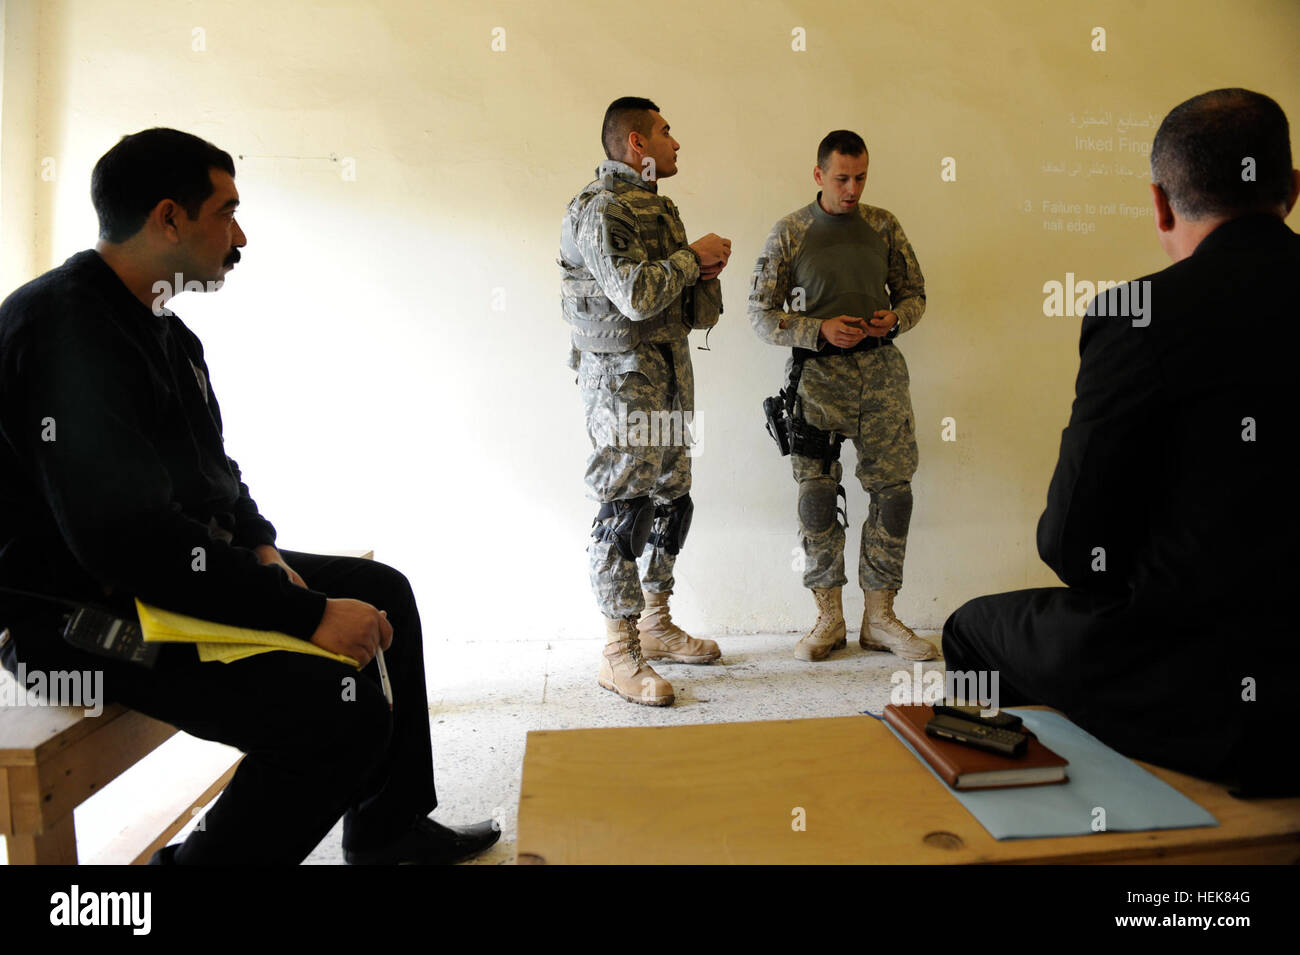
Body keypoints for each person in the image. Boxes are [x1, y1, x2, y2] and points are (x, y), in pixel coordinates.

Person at [0, 128, 500, 863]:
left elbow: (216, 479)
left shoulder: (167, 332)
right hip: (80, 618)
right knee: (340, 714)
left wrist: (262, 547)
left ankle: (388, 828)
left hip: (159, 578)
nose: (240, 235)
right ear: (169, 217)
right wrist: (305, 612)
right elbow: (126, 540)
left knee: (379, 589)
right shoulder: (64, 328)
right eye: (225, 211)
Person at [942, 89, 1300, 795]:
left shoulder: (1138, 316)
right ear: (1292, 190)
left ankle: (1061, 818)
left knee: (972, 629)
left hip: (1214, 692)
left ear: (1161, 203)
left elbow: (1074, 548)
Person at [560, 97, 732, 706]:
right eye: (665, 131)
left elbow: (681, 307)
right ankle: (618, 651)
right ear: (637, 143)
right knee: (622, 511)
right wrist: (692, 259)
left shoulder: (661, 208)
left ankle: (656, 626)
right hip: (622, 392)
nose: (675, 142)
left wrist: (703, 273)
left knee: (671, 502)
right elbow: (634, 294)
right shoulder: (602, 210)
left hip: (668, 382)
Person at [749, 130, 935, 663]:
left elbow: (915, 293)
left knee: (894, 493)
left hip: (881, 375)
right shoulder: (790, 232)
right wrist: (817, 329)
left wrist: (896, 318)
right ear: (818, 176)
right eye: (841, 179)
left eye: (861, 178)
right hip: (818, 381)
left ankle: (880, 618)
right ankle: (827, 617)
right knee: (816, 495)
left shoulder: (883, 225)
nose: (852, 189)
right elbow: (759, 315)